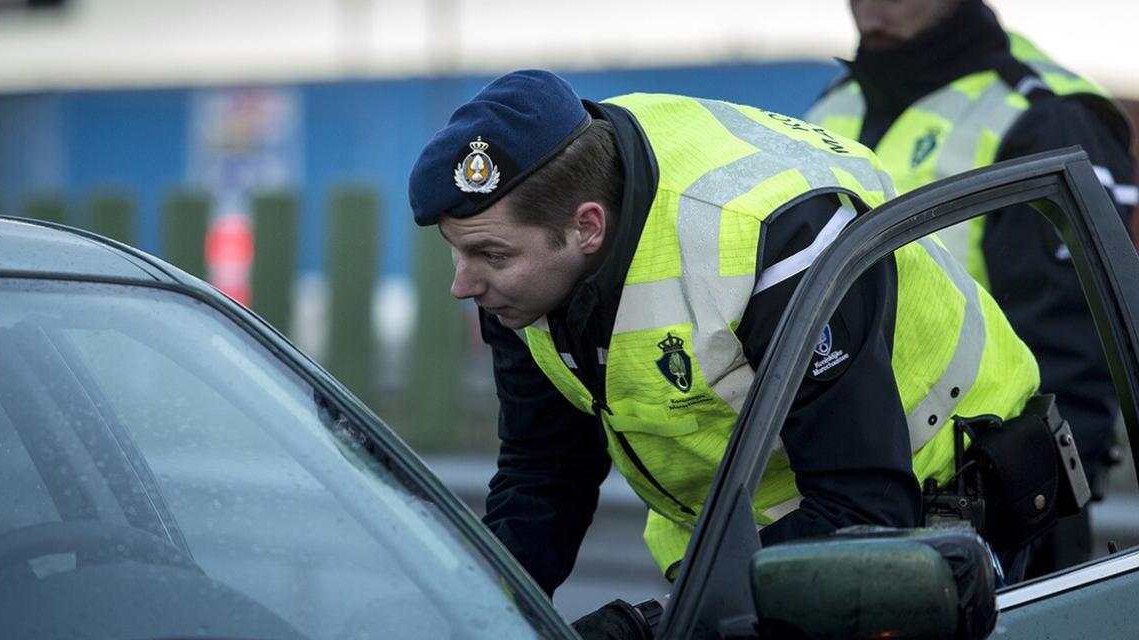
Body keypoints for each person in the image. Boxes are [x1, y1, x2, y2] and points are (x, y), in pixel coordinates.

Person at [408, 69, 1039, 635]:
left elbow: (861, 505)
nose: (462, 284)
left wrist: (654, 624)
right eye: (456, 250)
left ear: (587, 227)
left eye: (490, 255)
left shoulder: (767, 239)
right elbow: (543, 472)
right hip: (746, 551)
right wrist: (474, 613)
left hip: (948, 518)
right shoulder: (528, 247)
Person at [806, 0, 1136, 575]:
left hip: (986, 520)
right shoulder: (831, 107)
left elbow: (1080, 359)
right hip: (837, 493)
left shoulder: (1043, 115)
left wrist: (1013, 523)